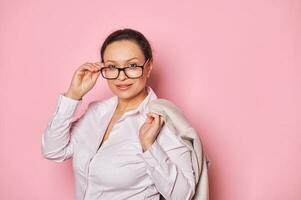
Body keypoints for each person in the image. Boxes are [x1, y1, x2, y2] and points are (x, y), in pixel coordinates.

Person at [41, 28, 196, 200]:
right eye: (112, 67)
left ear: (148, 67)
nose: (121, 77)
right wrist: (73, 95)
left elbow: (184, 195)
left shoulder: (160, 121)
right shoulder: (96, 112)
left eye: (131, 65)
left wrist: (149, 147)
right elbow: (53, 150)